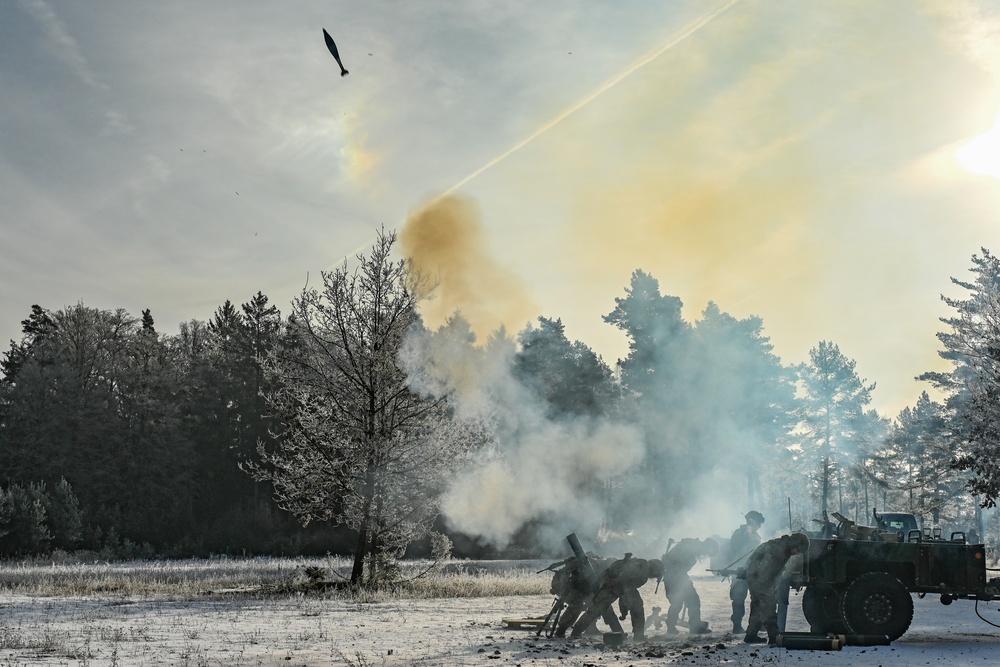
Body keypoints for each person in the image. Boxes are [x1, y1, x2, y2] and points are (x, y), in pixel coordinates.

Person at [569, 554, 663, 641]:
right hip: (614, 584)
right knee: (635, 607)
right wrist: (624, 610)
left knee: (597, 608)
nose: (655, 576)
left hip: (613, 584)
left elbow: (626, 592)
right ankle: (638, 635)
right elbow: (625, 586)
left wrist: (624, 610)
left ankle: (576, 631)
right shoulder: (642, 569)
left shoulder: (640, 565)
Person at [744, 532, 810, 645]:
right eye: (798, 550)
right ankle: (774, 637)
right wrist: (769, 591)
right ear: (794, 544)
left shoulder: (781, 546)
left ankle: (751, 635)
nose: (797, 553)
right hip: (759, 579)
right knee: (768, 606)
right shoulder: (778, 551)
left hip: (754, 577)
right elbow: (764, 572)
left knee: (757, 605)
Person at [661, 538, 718, 634]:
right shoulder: (691, 547)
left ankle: (695, 627)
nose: (704, 555)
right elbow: (676, 563)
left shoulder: (693, 547)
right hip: (673, 577)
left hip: (680, 577)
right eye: (707, 552)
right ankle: (671, 627)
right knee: (677, 602)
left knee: (693, 601)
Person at [551, 555, 612, 637]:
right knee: (577, 606)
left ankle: (590, 628)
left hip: (579, 590)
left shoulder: (597, 567)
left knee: (593, 602)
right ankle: (561, 629)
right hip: (568, 589)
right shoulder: (588, 567)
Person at [727, 511, 764, 634]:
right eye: (758, 523)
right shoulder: (739, 534)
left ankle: (758, 624)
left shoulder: (755, 535)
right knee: (738, 598)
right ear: (752, 521)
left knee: (758, 598)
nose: (759, 526)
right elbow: (735, 551)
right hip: (740, 570)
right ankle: (737, 625)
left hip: (753, 570)